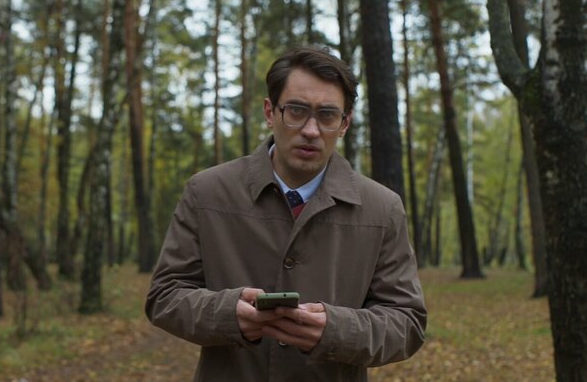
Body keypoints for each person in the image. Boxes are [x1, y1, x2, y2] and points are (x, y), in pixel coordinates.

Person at [145, 46, 426, 381]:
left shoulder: (381, 208)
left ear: (344, 124)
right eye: (296, 110)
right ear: (270, 112)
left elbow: (407, 322)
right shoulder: (207, 192)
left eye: (327, 115)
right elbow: (165, 296)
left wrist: (336, 331)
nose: (311, 130)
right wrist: (227, 314)